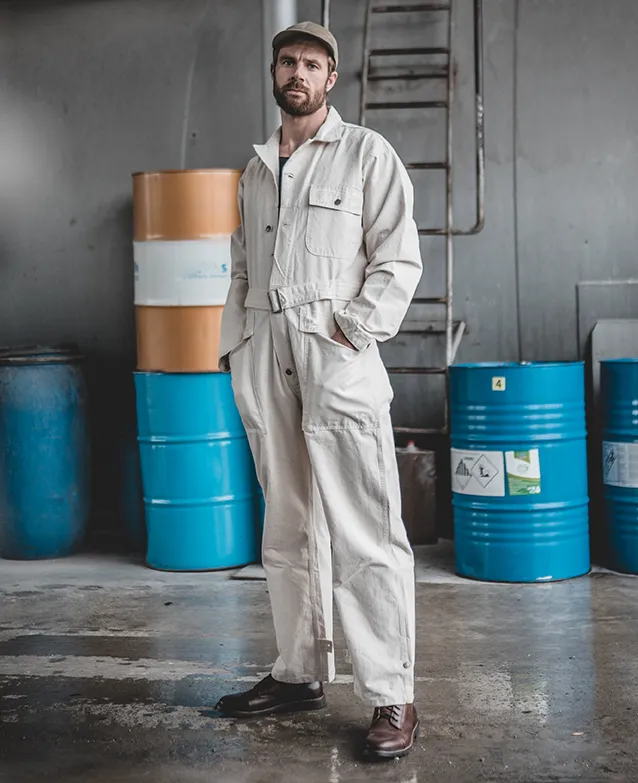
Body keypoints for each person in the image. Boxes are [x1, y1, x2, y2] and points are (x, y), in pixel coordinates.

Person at [216, 21, 423, 761]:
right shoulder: (255, 171)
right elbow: (242, 265)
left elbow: (398, 258)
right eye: (287, 61)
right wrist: (236, 345)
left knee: (366, 524)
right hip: (265, 348)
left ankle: (392, 691)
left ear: (331, 78)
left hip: (335, 352)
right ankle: (298, 671)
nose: (297, 73)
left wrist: (352, 329)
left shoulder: (366, 153)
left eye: (311, 63)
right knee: (287, 525)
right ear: (274, 72)